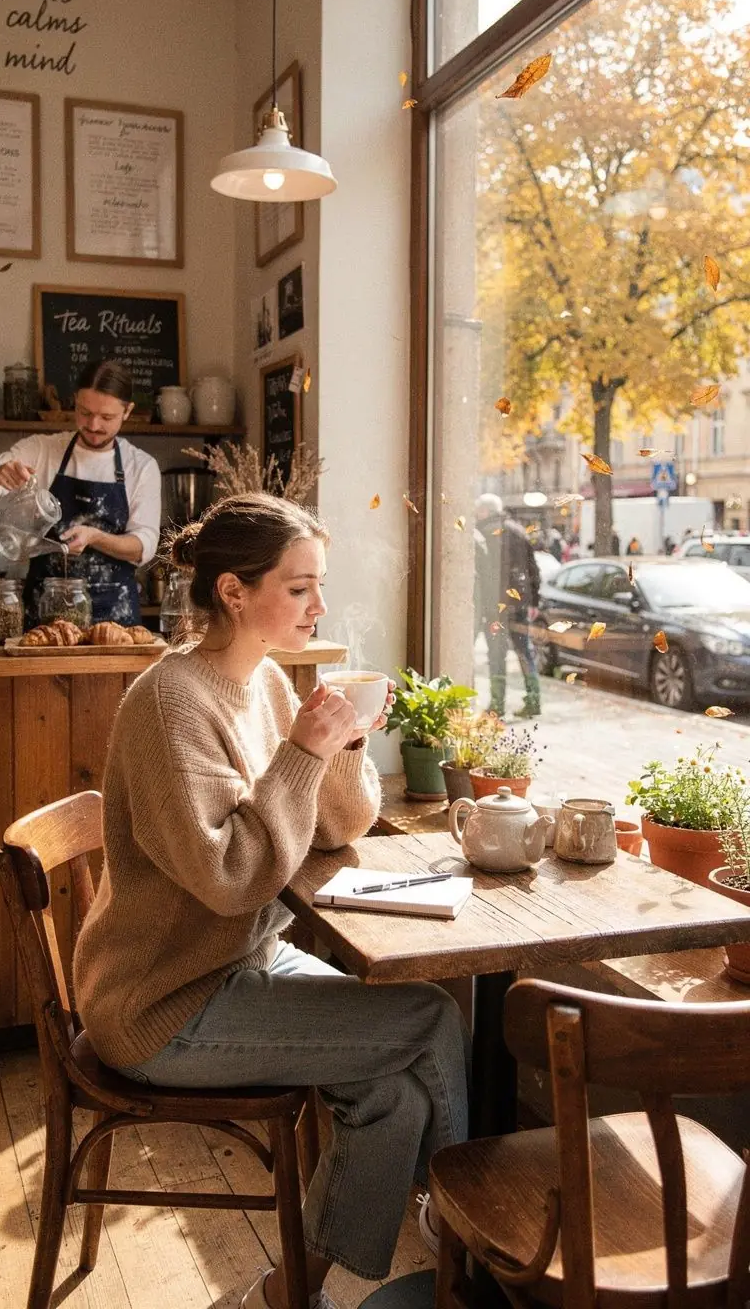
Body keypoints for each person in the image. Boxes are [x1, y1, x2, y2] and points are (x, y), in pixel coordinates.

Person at [72, 493, 470, 1307]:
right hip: (162, 1003)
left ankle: (288, 1292)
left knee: (390, 1097)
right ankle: (464, 1228)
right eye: (300, 587)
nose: (320, 605)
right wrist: (299, 755)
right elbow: (229, 881)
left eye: (319, 584)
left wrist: (343, 744)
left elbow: (338, 829)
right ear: (233, 592)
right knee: (433, 1015)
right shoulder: (169, 703)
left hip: (237, 963)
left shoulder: (265, 685)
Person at [0, 360, 161, 626]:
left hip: (116, 619)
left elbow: (143, 546)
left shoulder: (141, 466)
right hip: (45, 616)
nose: (93, 425)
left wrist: (95, 537)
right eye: (84, 412)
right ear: (75, 402)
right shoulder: (43, 449)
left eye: (106, 417)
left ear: (127, 411)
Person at [474, 492, 541, 718]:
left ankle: (497, 705)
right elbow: (533, 569)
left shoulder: (483, 533)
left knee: (497, 655)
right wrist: (535, 601)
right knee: (525, 652)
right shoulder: (518, 531)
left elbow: (482, 576)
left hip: (495, 607)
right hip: (519, 605)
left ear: (485, 511)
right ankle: (534, 700)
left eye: (478, 510)